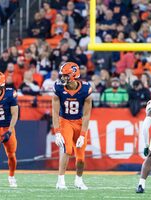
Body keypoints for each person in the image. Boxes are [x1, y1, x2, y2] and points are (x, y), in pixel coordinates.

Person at [52, 62, 92, 190]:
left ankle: (78, 180)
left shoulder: (85, 89)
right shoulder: (58, 88)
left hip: (79, 122)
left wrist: (83, 134)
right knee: (67, 149)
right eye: (62, 75)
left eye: (65, 76)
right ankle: (60, 180)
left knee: (80, 157)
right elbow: (55, 112)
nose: (62, 78)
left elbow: (86, 115)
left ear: (73, 75)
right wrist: (57, 131)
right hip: (65, 121)